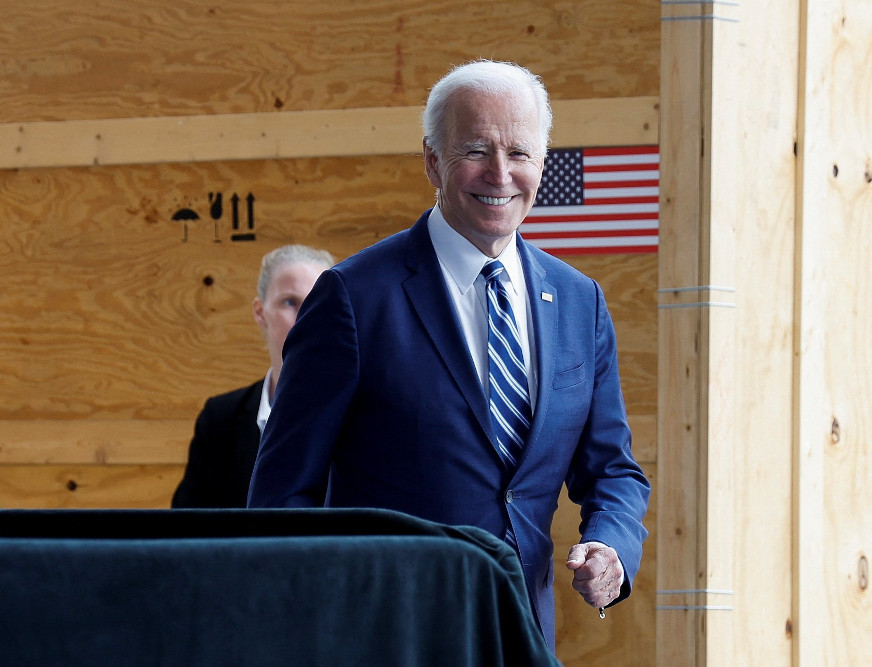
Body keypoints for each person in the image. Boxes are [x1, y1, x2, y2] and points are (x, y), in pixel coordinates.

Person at [247, 60, 650, 649]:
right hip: (384, 638)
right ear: (433, 160)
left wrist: (613, 546)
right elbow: (283, 492)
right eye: (475, 151)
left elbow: (612, 468)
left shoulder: (577, 301)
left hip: (521, 635)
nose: (501, 173)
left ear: (542, 162)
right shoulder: (353, 297)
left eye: (520, 152)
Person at [172, 244, 335, 508]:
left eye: (317, 303)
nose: (306, 317)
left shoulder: (362, 416)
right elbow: (187, 528)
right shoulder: (221, 419)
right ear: (260, 312)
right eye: (290, 302)